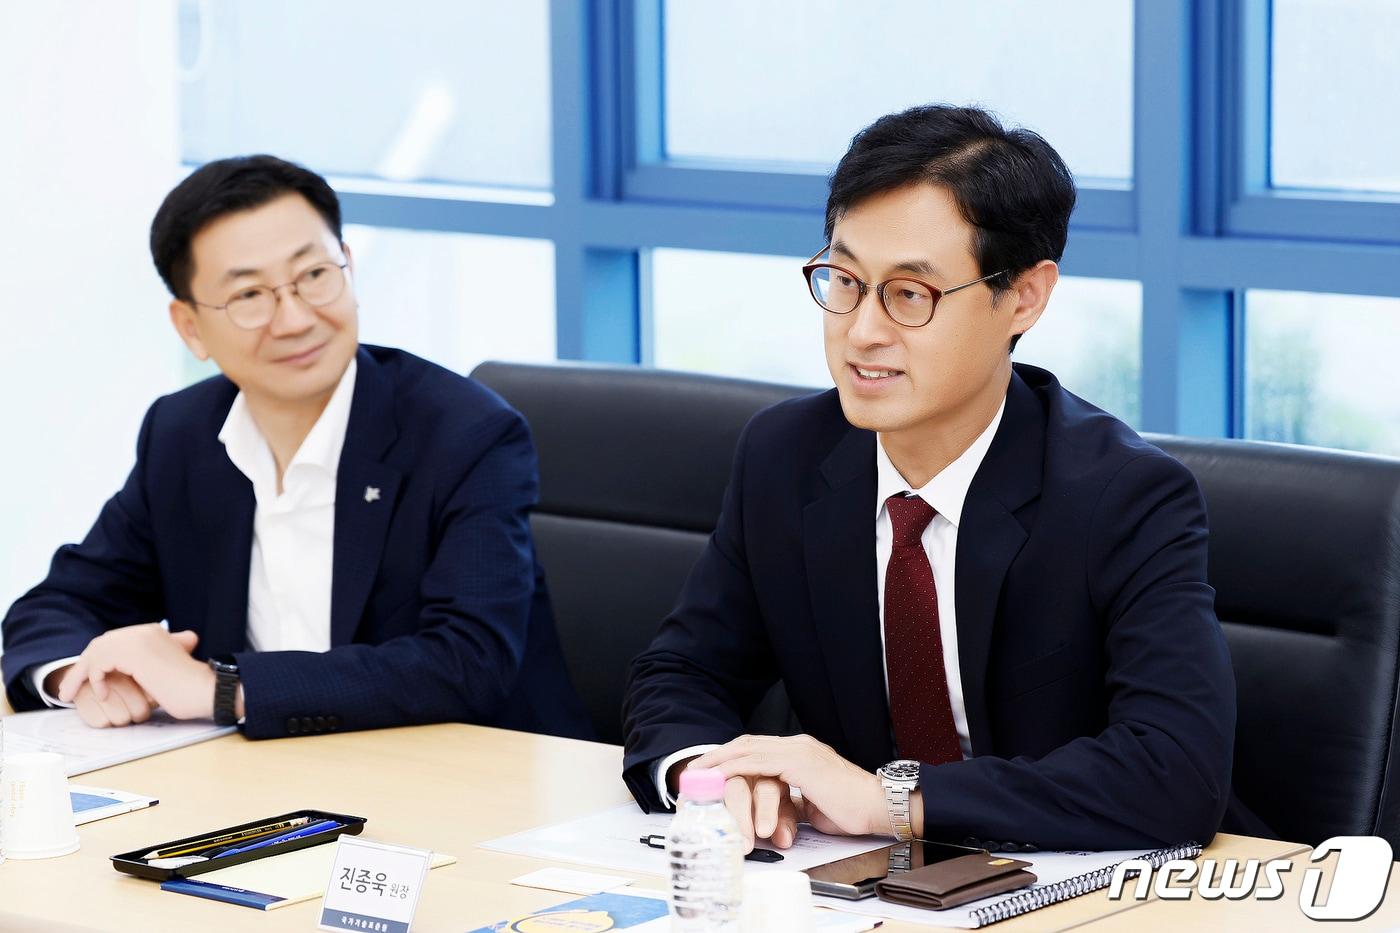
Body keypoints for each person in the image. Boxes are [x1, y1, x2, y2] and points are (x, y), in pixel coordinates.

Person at [622, 105, 1239, 852]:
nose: (862, 330)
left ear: (1024, 296)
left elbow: (1175, 771)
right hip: (851, 882)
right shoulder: (785, 456)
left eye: (910, 293)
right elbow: (682, 672)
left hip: (1085, 884)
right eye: (845, 280)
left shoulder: (1124, 496)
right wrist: (713, 777)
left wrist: (889, 801)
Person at [2, 154, 592, 742]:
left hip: (462, 773)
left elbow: (468, 661)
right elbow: (59, 605)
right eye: (249, 295)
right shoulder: (183, 434)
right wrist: (83, 676)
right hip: (252, 775)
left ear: (349, 267)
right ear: (190, 328)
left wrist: (225, 690)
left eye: (314, 275)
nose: (294, 319)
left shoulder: (466, 434)